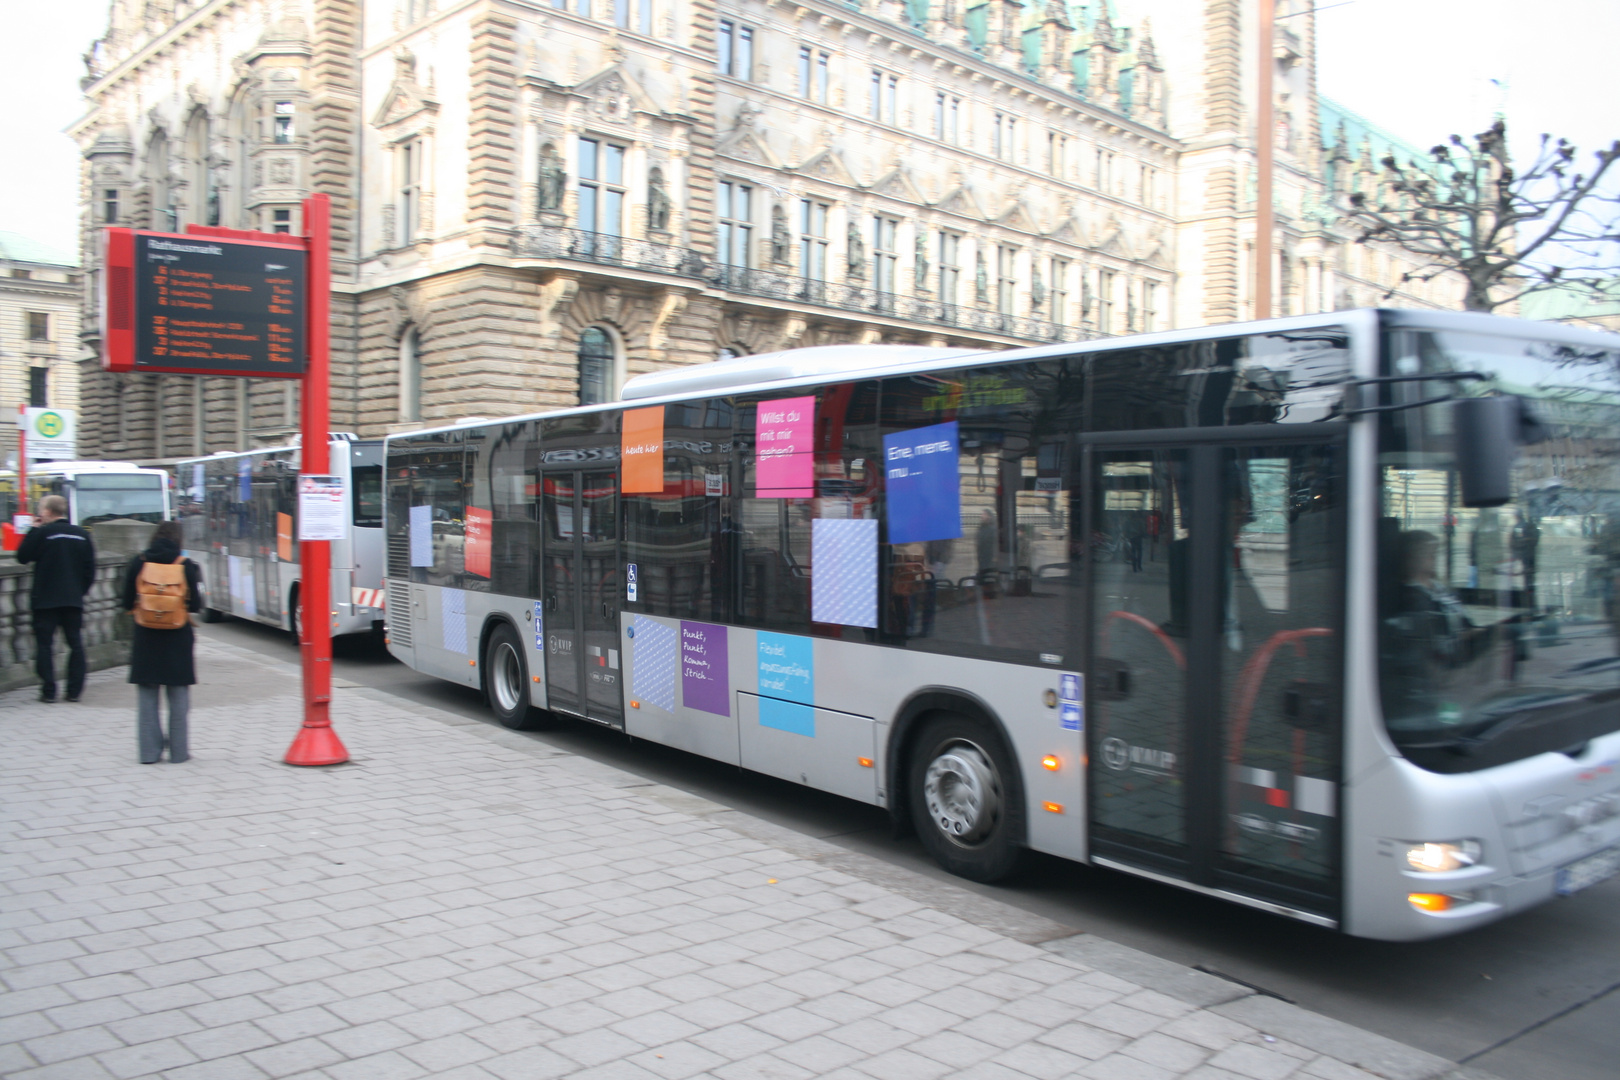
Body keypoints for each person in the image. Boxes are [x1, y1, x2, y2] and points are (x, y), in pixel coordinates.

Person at [120, 521, 203, 764]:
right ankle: (178, 753)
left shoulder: (139, 562)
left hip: (146, 637)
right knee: (178, 698)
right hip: (177, 637)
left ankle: (149, 753)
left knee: (147, 698)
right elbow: (196, 604)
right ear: (179, 539)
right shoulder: (185, 565)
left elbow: (126, 601)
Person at [15, 494, 96, 703]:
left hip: (45, 599)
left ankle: (49, 691)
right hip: (72, 599)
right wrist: (79, 591)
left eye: (41, 509)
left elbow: (22, 556)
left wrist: (33, 528)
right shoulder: (81, 535)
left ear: (48, 512)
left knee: (45, 645)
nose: (40, 513)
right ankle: (74, 691)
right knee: (75, 644)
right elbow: (90, 571)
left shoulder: (44, 533)